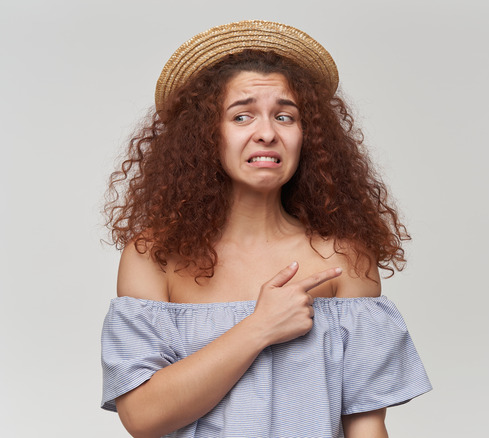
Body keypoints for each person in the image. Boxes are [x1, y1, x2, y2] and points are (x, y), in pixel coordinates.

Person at [101, 20, 431, 438]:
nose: (267, 133)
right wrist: (259, 327)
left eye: (285, 116)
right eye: (242, 116)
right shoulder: (155, 256)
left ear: (306, 136)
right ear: (205, 135)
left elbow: (365, 424)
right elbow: (143, 418)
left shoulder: (345, 259)